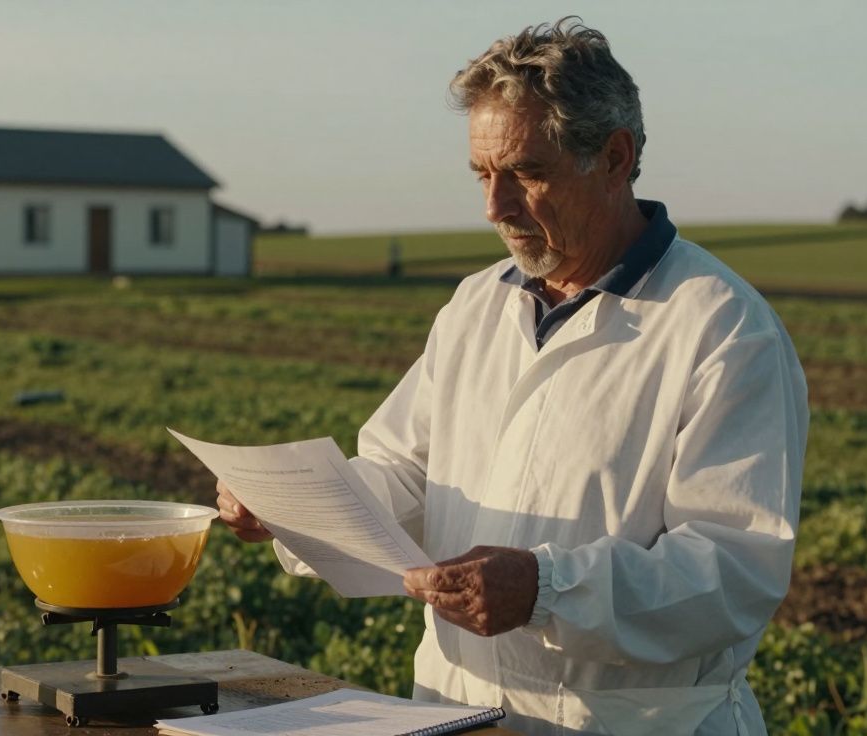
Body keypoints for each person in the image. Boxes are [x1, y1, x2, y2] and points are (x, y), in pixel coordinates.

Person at [218, 17, 806, 736]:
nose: (494, 207)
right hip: (454, 712)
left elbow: (732, 571)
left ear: (614, 158)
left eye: (526, 173)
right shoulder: (477, 305)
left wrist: (545, 590)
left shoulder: (720, 326)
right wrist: (294, 506)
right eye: (482, 174)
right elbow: (407, 476)